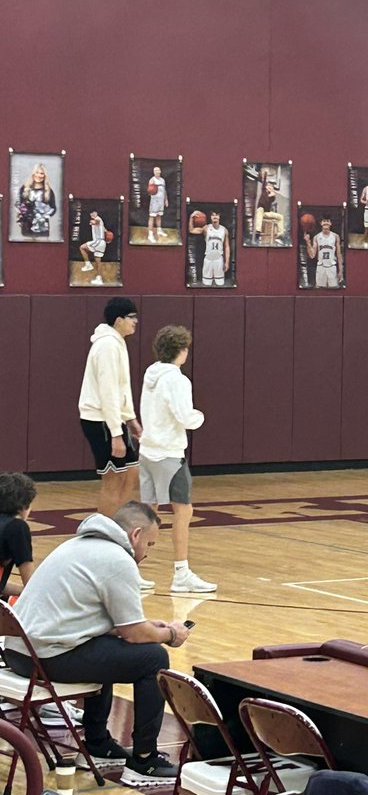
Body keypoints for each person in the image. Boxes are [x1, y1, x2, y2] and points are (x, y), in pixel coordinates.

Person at [3, 502, 190, 786]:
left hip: (19, 653)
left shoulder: (76, 545)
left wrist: (148, 626)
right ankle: (144, 761)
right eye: (149, 544)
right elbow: (134, 635)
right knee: (153, 657)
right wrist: (171, 634)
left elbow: (108, 624)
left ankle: (98, 744)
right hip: (47, 657)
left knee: (105, 646)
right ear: (135, 534)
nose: (147, 553)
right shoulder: (117, 559)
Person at [138, 325, 216, 594]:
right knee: (183, 510)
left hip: (147, 451)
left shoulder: (151, 374)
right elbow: (184, 416)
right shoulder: (177, 380)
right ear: (181, 350)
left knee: (147, 512)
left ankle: (129, 571)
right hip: (169, 453)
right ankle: (181, 572)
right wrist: (200, 417)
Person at [78, 297, 146, 541]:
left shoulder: (117, 343)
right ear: (119, 320)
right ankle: (103, 538)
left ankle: (118, 529)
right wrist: (116, 434)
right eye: (132, 318)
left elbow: (121, 388)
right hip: (101, 421)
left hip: (113, 420)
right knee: (113, 479)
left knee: (131, 473)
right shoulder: (107, 346)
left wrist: (130, 419)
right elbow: (108, 391)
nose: (136, 322)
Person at [0, 472, 37, 598]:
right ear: (24, 506)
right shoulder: (17, 527)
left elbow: (1, 585)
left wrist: (21, 592)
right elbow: (31, 585)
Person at [15, 161, 57, 238]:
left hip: (42, 228)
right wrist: (24, 212)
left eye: (42, 173)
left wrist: (43, 216)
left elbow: (53, 208)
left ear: (45, 176)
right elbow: (18, 204)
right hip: (26, 227)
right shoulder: (24, 189)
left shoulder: (49, 191)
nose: (39, 175)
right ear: (33, 174)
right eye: (37, 172)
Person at [305, 215, 343, 288]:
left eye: (328, 221)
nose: (326, 223)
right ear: (321, 223)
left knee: (334, 289)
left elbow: (339, 255)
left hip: (332, 266)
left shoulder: (335, 236)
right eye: (324, 221)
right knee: (320, 289)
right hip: (321, 267)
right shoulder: (316, 237)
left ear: (331, 223)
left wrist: (341, 270)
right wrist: (308, 242)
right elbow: (312, 255)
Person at [195, 210, 229, 286]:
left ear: (219, 217)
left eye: (217, 215)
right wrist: (191, 217)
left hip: (218, 260)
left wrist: (227, 262)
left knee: (220, 284)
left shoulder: (224, 230)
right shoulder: (206, 228)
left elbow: (227, 247)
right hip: (208, 259)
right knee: (206, 284)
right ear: (210, 217)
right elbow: (191, 230)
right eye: (213, 215)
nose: (215, 216)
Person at [78, 209, 109, 286]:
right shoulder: (101, 221)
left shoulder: (98, 219)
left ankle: (88, 264)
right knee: (98, 261)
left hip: (97, 241)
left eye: (93, 213)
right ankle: (99, 278)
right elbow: (106, 231)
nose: (92, 214)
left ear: (96, 213)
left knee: (82, 247)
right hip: (102, 243)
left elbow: (97, 221)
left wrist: (94, 222)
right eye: (91, 213)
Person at [146, 166, 169, 244]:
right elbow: (149, 190)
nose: (157, 171)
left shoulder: (162, 180)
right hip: (154, 201)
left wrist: (166, 199)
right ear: (153, 172)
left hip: (161, 201)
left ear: (160, 171)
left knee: (159, 216)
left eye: (158, 170)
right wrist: (152, 191)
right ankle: (150, 234)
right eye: (156, 170)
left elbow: (164, 190)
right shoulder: (152, 180)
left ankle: (159, 230)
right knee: (152, 216)